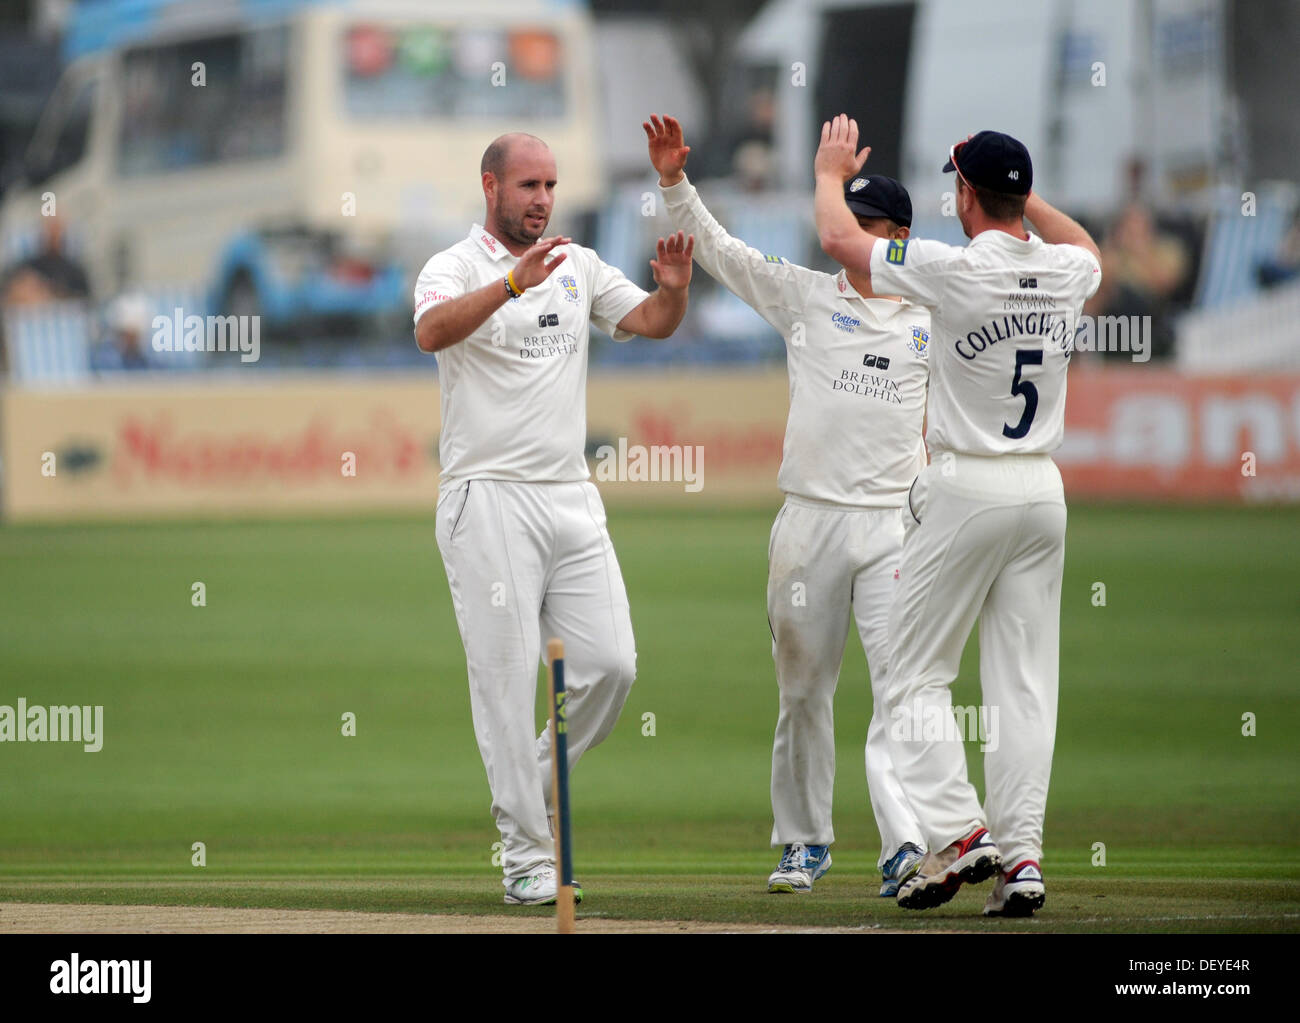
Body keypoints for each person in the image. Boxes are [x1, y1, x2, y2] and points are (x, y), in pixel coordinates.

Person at [813, 118, 1101, 916]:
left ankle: (961, 831)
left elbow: (840, 239)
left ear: (965, 195)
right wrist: (1024, 196)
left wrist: (830, 169)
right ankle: (1024, 858)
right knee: (1024, 688)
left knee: (909, 672)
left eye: (960, 186)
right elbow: (1089, 249)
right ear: (1020, 194)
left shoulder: (950, 267)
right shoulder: (1065, 269)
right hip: (1043, 491)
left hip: (965, 483)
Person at [644, 114, 928, 897]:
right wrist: (674, 182)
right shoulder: (807, 297)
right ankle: (804, 841)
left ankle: (906, 845)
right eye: (850, 221)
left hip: (894, 528)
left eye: (870, 227)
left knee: (903, 690)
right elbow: (723, 250)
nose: (853, 237)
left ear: (900, 236)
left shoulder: (931, 315)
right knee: (802, 688)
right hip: (809, 523)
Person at [412, 132, 694, 905]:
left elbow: (654, 323)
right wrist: (509, 285)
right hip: (486, 495)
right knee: (504, 683)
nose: (541, 198)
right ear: (490, 186)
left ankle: (529, 792)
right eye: (528, 184)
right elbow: (429, 333)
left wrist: (672, 290)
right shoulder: (455, 267)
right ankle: (526, 856)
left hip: (570, 495)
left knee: (613, 664)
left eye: (550, 185)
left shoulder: (579, 263)